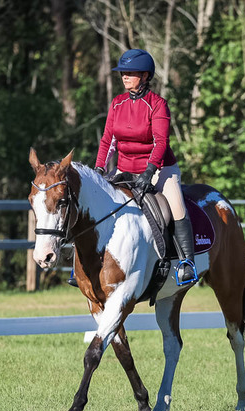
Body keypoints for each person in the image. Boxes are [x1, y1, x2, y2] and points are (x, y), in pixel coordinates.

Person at [94, 48, 197, 285]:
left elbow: (161, 142)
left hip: (160, 168)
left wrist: (150, 170)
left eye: (130, 72)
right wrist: (99, 169)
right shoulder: (117, 103)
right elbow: (108, 139)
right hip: (124, 169)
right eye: (123, 73)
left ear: (145, 75)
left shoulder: (158, 104)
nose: (124, 77)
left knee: (175, 208)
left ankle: (186, 263)